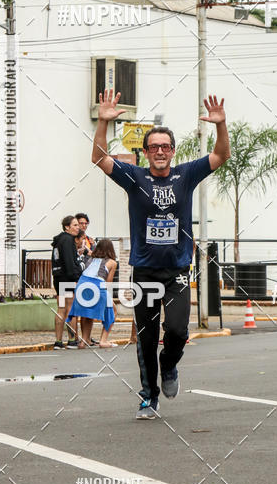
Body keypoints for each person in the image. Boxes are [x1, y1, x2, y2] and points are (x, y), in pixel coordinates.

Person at [91, 90, 231, 419]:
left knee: (179, 330)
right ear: (146, 152)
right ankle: (148, 396)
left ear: (172, 151)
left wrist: (221, 125)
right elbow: (98, 157)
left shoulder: (187, 174)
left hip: (178, 271)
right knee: (146, 338)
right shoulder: (134, 177)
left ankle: (169, 367)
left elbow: (221, 155)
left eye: (165, 147)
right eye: (153, 147)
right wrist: (102, 122)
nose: (160, 152)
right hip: (144, 272)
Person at [68, 239, 118, 348]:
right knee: (112, 310)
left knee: (87, 314)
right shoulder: (112, 263)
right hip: (97, 285)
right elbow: (108, 283)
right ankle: (103, 341)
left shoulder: (91, 259)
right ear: (111, 250)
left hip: (81, 284)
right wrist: (109, 299)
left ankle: (83, 341)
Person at [51, 215, 82, 348]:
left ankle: (58, 341)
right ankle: (72, 339)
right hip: (67, 278)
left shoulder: (58, 241)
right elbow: (69, 261)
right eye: (75, 225)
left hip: (58, 277)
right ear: (67, 227)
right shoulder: (69, 240)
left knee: (61, 309)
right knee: (70, 309)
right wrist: (75, 277)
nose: (78, 227)